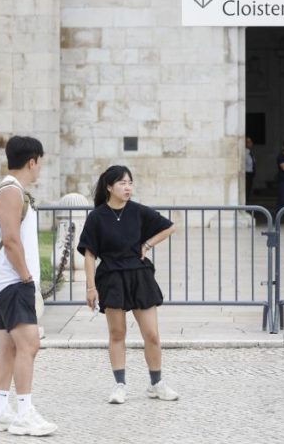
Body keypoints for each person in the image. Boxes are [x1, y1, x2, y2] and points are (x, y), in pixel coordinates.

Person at [77, 165, 178, 405]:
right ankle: (120, 385)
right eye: (122, 183)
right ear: (109, 187)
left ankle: (156, 384)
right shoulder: (97, 217)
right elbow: (89, 255)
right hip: (111, 278)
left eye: (130, 182)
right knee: (117, 334)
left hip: (139, 276)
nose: (127, 187)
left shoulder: (139, 211)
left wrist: (147, 245)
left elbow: (170, 227)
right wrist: (91, 288)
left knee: (152, 335)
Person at [0, 136, 57, 437]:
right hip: (14, 282)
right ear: (33, 161)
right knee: (29, 344)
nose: (40, 168)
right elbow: (12, 239)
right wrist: (26, 275)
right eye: (40, 162)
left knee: (9, 347)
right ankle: (24, 415)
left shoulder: (4, 190)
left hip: (3, 283)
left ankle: (0, 412)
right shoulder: (13, 192)